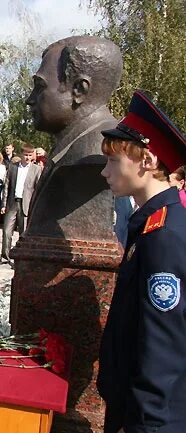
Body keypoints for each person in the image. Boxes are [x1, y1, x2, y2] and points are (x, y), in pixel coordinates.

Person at [97, 90, 186, 433]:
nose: (105, 171)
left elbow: (162, 343)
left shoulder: (165, 235)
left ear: (147, 161)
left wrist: (147, 422)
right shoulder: (152, 223)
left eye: (112, 161)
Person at [25, 36, 123, 240]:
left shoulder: (94, 155)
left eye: (40, 86)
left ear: (79, 90)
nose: (30, 99)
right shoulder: (70, 146)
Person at [0, 143, 42, 266]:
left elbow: (37, 190)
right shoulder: (13, 167)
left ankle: (20, 259)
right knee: (6, 231)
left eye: (29, 155)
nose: (27, 157)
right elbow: (7, 186)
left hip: (26, 205)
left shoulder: (36, 169)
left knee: (23, 233)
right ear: (21, 154)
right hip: (12, 203)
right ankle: (5, 256)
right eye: (25, 155)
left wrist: (34, 208)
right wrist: (3, 204)